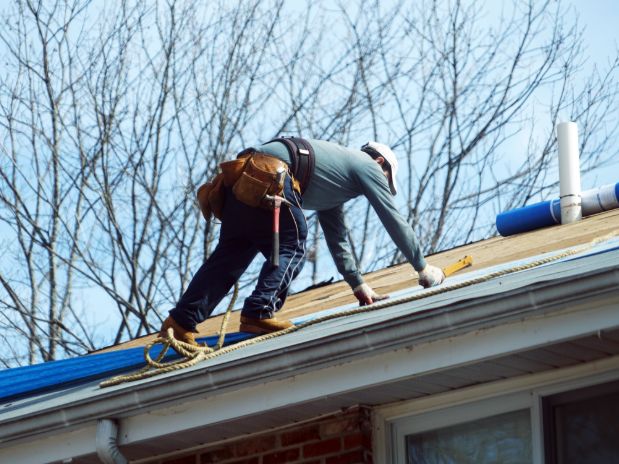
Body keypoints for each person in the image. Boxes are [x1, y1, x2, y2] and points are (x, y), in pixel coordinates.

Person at [160, 138, 444, 345]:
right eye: (385, 179)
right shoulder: (366, 164)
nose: (381, 184)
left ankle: (180, 322)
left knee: (231, 255)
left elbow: (337, 238)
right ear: (379, 163)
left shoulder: (333, 184)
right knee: (293, 241)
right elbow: (392, 217)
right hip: (272, 174)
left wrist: (358, 285)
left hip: (244, 180)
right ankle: (259, 312)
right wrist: (422, 267)